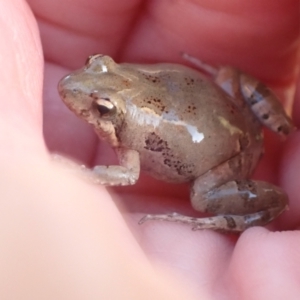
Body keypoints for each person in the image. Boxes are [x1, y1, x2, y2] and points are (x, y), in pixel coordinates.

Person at [1, 0, 299, 298]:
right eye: (95, 63)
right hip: (234, 109)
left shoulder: (129, 141)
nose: (71, 85)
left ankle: (221, 216)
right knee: (227, 77)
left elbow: (128, 175)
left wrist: (80, 175)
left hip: (228, 160)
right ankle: (278, 122)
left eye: (102, 107)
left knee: (202, 197)